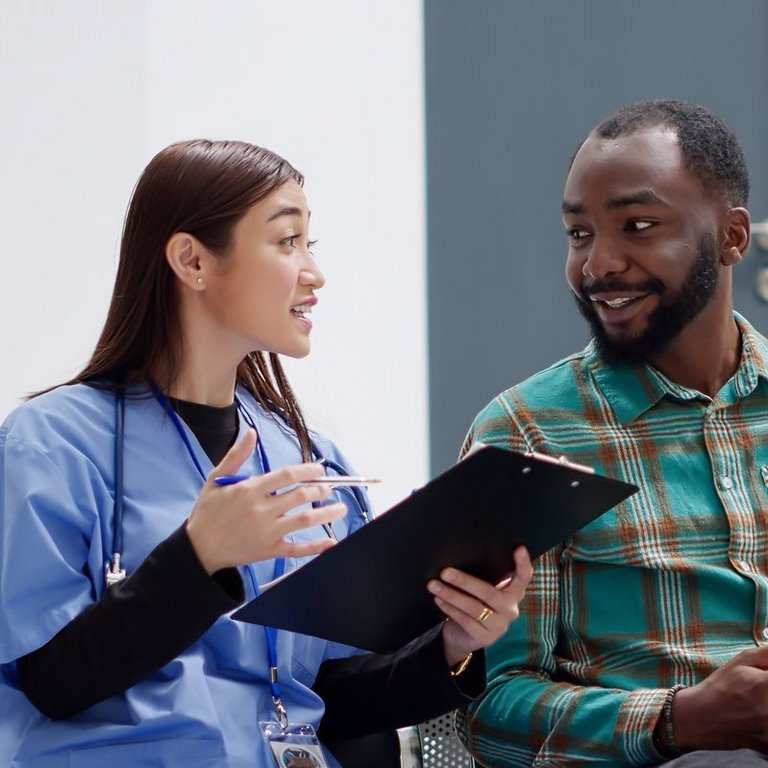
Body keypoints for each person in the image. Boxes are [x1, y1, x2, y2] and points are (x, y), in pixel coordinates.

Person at [0, 139, 533, 768]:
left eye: (312, 244)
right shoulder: (51, 445)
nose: (314, 272)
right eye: (287, 241)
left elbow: (333, 697)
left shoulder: (311, 458)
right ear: (191, 260)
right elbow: (50, 681)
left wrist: (453, 644)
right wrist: (198, 560)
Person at [458, 99, 768, 767]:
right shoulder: (525, 434)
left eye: (638, 226)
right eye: (578, 235)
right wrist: (678, 721)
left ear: (732, 237)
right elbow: (487, 714)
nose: (598, 265)